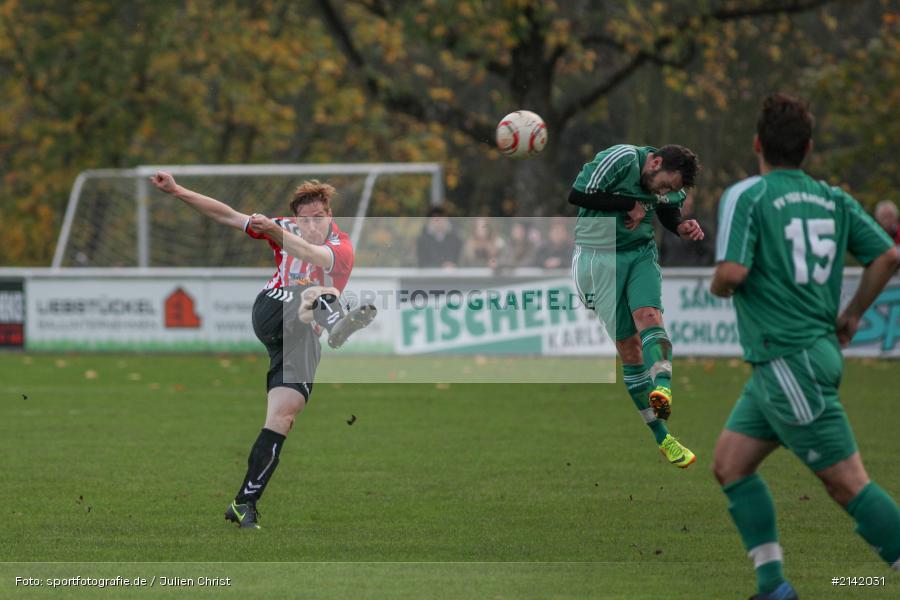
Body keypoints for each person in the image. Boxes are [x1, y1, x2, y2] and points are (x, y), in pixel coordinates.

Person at [710, 93, 900, 600]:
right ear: (809, 148)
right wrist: (854, 312)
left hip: (787, 359)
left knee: (847, 483)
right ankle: (773, 588)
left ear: (757, 144)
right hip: (798, 358)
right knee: (730, 463)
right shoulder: (832, 198)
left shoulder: (749, 196)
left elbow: (732, 273)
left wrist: (718, 286)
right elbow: (886, 256)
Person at [150, 172, 375, 529]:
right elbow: (226, 215)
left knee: (283, 417)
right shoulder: (285, 228)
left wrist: (276, 232)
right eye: (305, 220)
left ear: (330, 216)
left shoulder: (340, 247)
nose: (312, 225)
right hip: (272, 310)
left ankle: (244, 503)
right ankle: (338, 326)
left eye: (318, 218)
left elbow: (311, 253)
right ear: (297, 219)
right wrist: (177, 190)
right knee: (317, 294)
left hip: (301, 338)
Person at [568, 143, 703, 468]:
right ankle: (664, 439)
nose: (666, 191)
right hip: (597, 257)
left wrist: (680, 226)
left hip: (640, 252)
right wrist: (627, 203)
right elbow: (578, 195)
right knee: (630, 350)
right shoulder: (620, 159)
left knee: (649, 315)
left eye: (672, 189)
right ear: (654, 162)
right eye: (666, 184)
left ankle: (663, 389)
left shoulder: (669, 187)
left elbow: (669, 211)